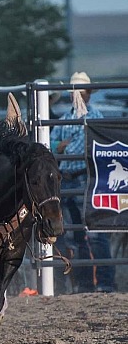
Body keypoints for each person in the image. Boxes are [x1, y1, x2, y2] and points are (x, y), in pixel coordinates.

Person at [51, 71, 116, 293]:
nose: (76, 95)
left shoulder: (95, 118)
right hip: (67, 180)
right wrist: (59, 146)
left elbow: (70, 147)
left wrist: (62, 146)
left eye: (81, 91)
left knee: (96, 234)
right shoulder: (64, 120)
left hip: (85, 178)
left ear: (88, 93)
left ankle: (105, 283)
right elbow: (51, 146)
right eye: (74, 91)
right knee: (74, 235)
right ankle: (87, 283)